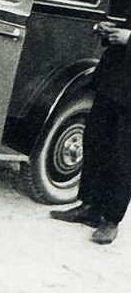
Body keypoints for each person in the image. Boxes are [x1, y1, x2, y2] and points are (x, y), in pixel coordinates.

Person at [50, 19, 131, 244]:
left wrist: (129, 39)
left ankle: (111, 220)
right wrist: (108, 29)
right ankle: (90, 207)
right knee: (95, 143)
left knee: (123, 156)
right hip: (111, 82)